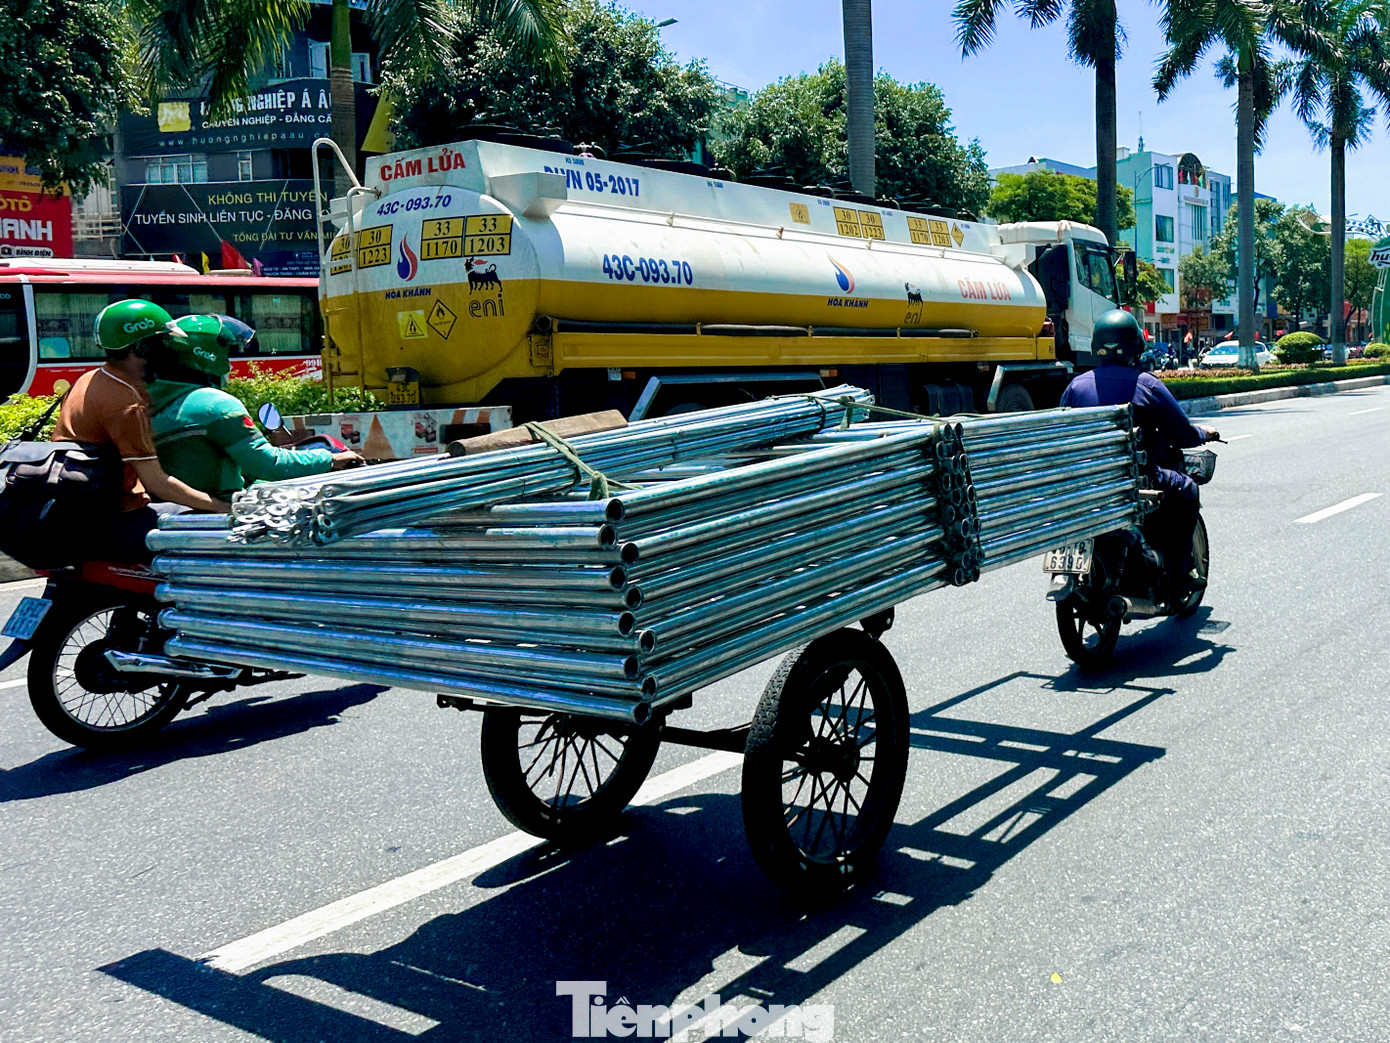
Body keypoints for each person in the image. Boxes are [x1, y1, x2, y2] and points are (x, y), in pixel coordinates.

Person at [42, 300, 230, 563]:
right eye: (163, 342)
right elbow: (158, 483)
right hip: (114, 517)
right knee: (218, 527)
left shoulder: (90, 379)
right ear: (141, 347)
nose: (170, 350)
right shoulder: (125, 404)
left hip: (78, 505)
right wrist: (222, 507)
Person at [1061, 309, 1219, 599]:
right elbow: (1181, 434)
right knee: (1186, 488)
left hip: (1087, 482)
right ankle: (1180, 575)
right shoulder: (1146, 384)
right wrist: (1203, 433)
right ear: (1135, 344)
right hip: (1134, 480)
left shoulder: (1076, 386)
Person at [146, 314, 359, 501]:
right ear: (210, 353)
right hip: (221, 506)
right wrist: (329, 459)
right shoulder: (214, 405)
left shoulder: (149, 401)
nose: (229, 361)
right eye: (227, 351)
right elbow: (269, 465)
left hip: (181, 504)